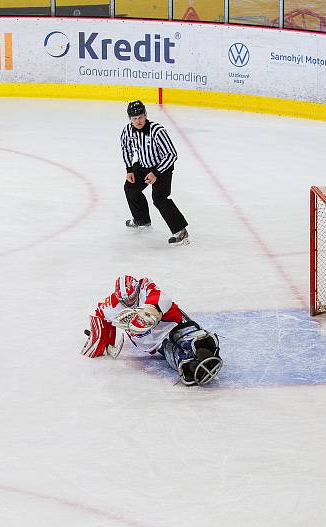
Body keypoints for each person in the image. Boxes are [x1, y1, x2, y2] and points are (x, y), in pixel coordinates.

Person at [82, 275, 222, 385]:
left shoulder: (145, 286)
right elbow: (99, 315)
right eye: (125, 301)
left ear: (137, 289)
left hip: (173, 325)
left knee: (194, 341)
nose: (129, 303)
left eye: (132, 298)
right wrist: (103, 342)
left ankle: (203, 351)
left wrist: (150, 310)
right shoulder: (110, 305)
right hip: (156, 344)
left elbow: (161, 298)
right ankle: (193, 362)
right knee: (180, 358)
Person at [120, 100, 189, 246]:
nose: (138, 121)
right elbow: (126, 148)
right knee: (130, 188)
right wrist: (129, 170)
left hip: (162, 168)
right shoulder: (127, 130)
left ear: (145, 115)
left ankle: (181, 232)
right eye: (134, 118)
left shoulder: (157, 131)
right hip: (143, 166)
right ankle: (142, 220)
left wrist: (156, 172)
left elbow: (171, 154)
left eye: (140, 117)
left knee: (159, 198)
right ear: (130, 119)